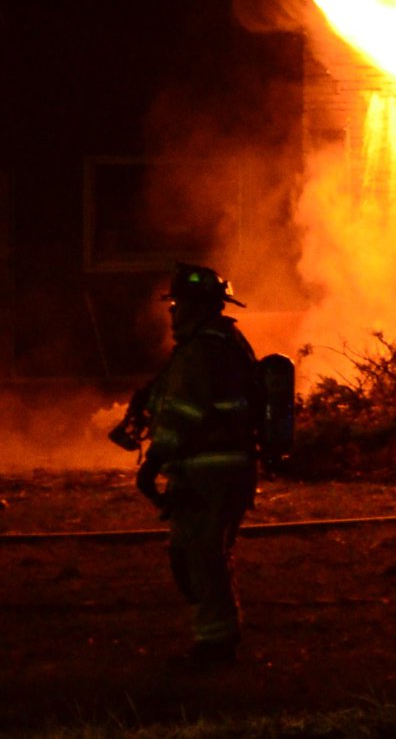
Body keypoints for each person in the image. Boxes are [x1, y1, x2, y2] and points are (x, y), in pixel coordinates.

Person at [136, 263, 263, 665]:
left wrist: (152, 462)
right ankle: (215, 638)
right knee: (197, 554)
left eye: (179, 304)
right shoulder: (226, 342)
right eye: (172, 304)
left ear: (200, 307)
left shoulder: (201, 352)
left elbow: (182, 415)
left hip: (210, 470)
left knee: (201, 556)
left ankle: (215, 645)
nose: (172, 312)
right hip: (223, 469)